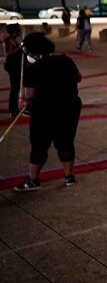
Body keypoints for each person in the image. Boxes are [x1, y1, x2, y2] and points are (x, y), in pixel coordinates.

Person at [14, 32, 82, 191]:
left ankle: (33, 180)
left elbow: (30, 95)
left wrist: (24, 100)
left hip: (45, 111)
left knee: (39, 145)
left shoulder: (34, 69)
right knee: (65, 142)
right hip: (70, 107)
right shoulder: (65, 60)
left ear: (34, 52)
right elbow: (79, 77)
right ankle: (69, 176)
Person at [2, 23, 23, 118]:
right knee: (15, 88)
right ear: (14, 32)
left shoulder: (14, 40)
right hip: (12, 66)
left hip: (16, 66)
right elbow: (8, 54)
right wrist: (19, 48)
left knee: (17, 87)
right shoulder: (9, 41)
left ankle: (15, 109)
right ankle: (12, 110)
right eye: (17, 30)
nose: (19, 32)